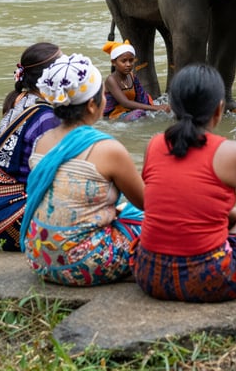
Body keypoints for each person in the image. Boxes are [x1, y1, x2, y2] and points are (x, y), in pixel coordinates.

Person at [131, 63, 236, 302]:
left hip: (149, 274)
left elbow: (167, 201)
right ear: (219, 109)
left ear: (172, 108)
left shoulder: (154, 144)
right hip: (209, 280)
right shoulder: (235, 153)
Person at [20, 53, 144, 286]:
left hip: (39, 258)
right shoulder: (107, 149)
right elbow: (148, 203)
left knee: (120, 207)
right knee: (150, 220)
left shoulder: (43, 140)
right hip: (84, 264)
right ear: (91, 105)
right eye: (103, 96)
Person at [0, 43, 62, 251]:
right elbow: (51, 180)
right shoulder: (46, 117)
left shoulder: (19, 99)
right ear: (49, 77)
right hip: (13, 219)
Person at [102, 39, 170, 120]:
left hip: (131, 111)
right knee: (139, 114)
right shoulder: (111, 80)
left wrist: (159, 107)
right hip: (114, 114)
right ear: (113, 62)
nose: (128, 64)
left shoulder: (132, 76)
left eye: (131, 61)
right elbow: (125, 103)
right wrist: (156, 108)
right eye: (123, 61)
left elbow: (142, 97)